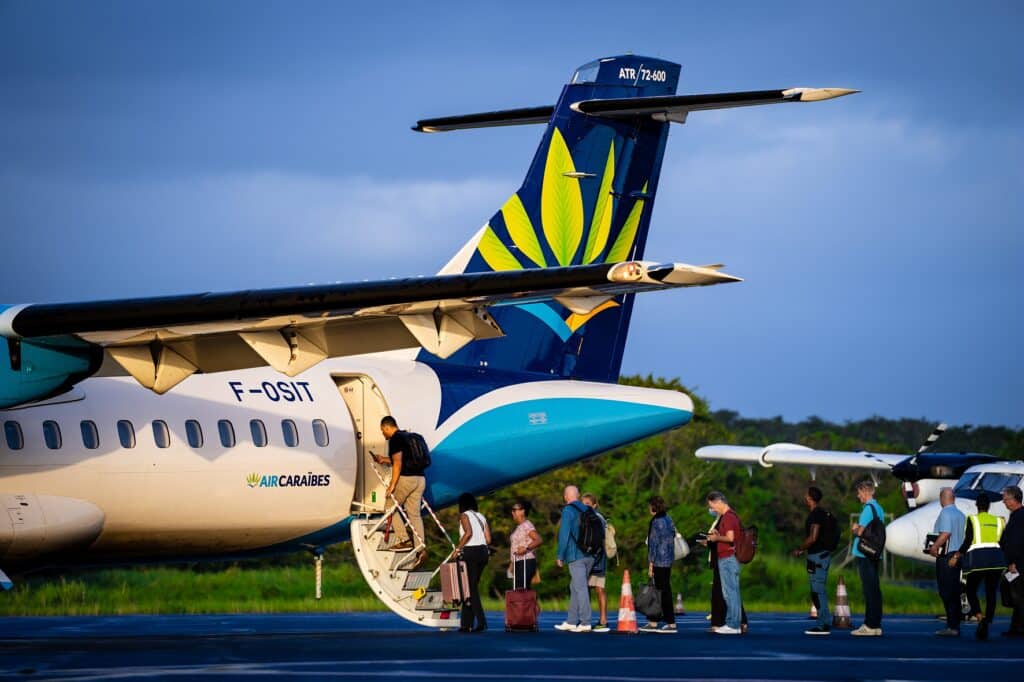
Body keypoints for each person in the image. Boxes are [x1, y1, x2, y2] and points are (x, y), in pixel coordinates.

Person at [372, 416, 427, 567]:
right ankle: (420, 548)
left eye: (383, 430)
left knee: (390, 507)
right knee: (414, 513)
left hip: (406, 479)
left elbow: (398, 463)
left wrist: (392, 485)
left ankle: (404, 539)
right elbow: (401, 459)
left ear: (387, 427)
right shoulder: (409, 437)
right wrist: (384, 459)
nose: (383, 434)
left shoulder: (395, 439)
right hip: (420, 479)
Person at [949, 495, 1006, 640]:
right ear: (989, 506)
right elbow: (1004, 542)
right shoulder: (999, 521)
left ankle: (980, 617)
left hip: (979, 562)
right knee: (991, 593)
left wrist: (956, 556)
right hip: (996, 561)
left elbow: (968, 540)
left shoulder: (973, 520)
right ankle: (987, 621)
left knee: (970, 590)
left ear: (976, 505)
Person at [792, 486, 835, 635]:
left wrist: (800, 549)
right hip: (822, 555)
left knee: (818, 590)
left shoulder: (816, 515)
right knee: (817, 590)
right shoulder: (823, 513)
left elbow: (813, 537)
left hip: (817, 556)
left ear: (810, 498)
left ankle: (823, 624)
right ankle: (824, 621)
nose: (805, 497)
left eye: (806, 495)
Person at [555, 485, 596, 632]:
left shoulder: (568, 510)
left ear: (566, 496)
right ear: (578, 496)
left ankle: (585, 622)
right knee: (575, 586)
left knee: (580, 588)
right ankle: (572, 621)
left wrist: (560, 555)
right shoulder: (588, 509)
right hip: (590, 555)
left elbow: (564, 534)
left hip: (575, 555)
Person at [929, 487, 966, 636]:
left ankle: (952, 626)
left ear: (942, 498)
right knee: (955, 591)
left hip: (946, 556)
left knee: (946, 591)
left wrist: (934, 547)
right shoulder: (961, 515)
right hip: (958, 556)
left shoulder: (945, 512)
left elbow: (945, 533)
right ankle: (955, 624)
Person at [850, 480, 885, 636]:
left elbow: (860, 531)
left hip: (864, 553)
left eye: (859, 493)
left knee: (869, 589)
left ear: (865, 492)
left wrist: (855, 528)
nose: (858, 496)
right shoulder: (879, 508)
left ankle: (869, 625)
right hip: (875, 553)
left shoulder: (867, 509)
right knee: (875, 589)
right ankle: (875, 624)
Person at [706, 491, 743, 635]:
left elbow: (730, 537)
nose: (712, 509)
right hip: (730, 558)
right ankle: (733, 623)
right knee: (731, 592)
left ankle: (733, 625)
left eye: (712, 506)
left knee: (730, 593)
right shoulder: (732, 515)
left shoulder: (728, 517)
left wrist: (716, 538)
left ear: (718, 502)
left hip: (727, 558)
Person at [453, 492, 491, 633]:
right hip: (483, 552)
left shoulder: (464, 515)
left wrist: (457, 549)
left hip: (471, 552)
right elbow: (488, 539)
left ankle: (481, 622)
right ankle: (466, 623)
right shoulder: (481, 517)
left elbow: (468, 533)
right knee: (471, 587)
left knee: (470, 588)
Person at [641, 495, 677, 633]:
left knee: (660, 592)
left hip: (659, 560)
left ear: (653, 507)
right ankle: (654, 621)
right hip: (668, 559)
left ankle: (670, 622)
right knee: (663, 590)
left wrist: (651, 563)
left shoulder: (656, 522)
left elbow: (653, 543)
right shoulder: (668, 519)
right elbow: (673, 534)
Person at [582, 493, 611, 633]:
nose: (585, 506)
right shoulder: (588, 518)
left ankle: (602, 620)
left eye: (587, 504)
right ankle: (589, 620)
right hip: (594, 556)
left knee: (598, 589)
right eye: (583, 504)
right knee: (587, 589)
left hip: (595, 557)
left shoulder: (597, 518)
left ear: (594, 505)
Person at [998, 485, 1024, 638]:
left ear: (1014, 500)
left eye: (1006, 499)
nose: (1004, 502)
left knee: (1018, 596)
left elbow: (1017, 542)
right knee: (1016, 595)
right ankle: (1016, 626)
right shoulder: (1017, 515)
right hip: (1016, 562)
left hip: (1018, 564)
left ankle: (1018, 627)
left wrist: (1013, 562)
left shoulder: (1019, 517)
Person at [510, 500, 542, 586]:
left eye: (514, 510)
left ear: (522, 511)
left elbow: (538, 540)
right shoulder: (519, 527)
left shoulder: (526, 525)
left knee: (521, 589)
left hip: (526, 561)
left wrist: (526, 548)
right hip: (518, 562)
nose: (512, 512)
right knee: (521, 589)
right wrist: (512, 565)